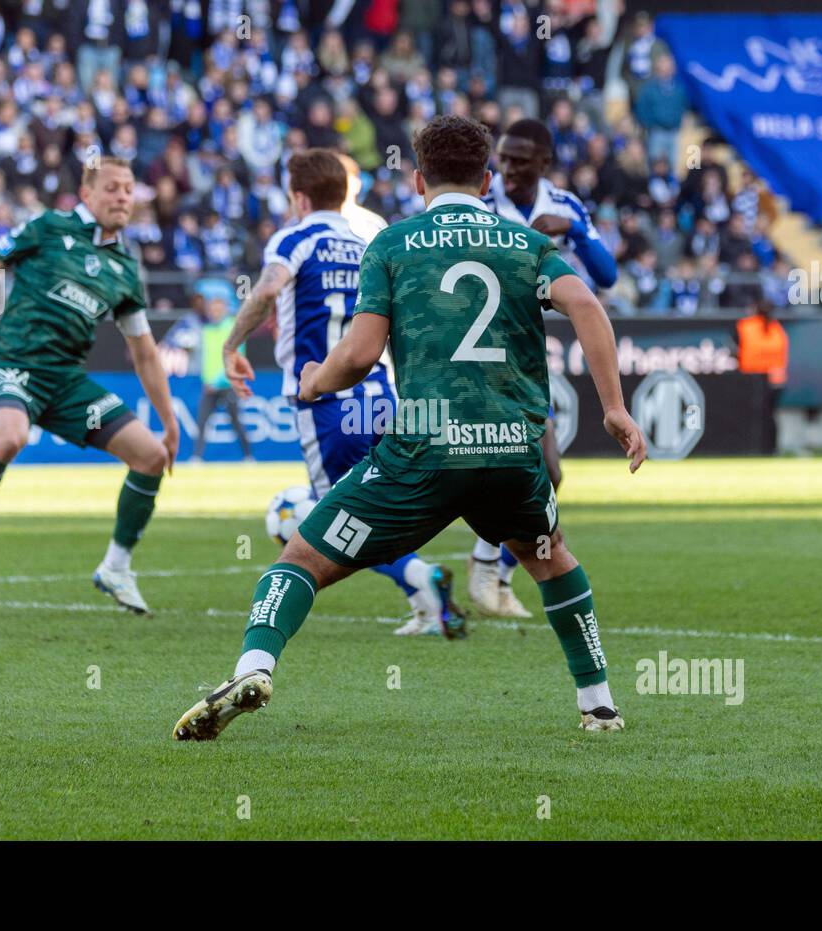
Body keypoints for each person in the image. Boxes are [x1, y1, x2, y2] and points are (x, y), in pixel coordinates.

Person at [173, 115, 647, 742]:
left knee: (301, 559)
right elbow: (588, 303)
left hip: (422, 452)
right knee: (552, 559)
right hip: (510, 449)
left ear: (419, 179)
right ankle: (600, 704)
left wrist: (313, 379)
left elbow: (361, 355)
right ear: (485, 180)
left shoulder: (394, 244)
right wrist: (614, 407)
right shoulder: (524, 243)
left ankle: (254, 668)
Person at [0, 157, 180, 614]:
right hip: (13, 364)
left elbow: (145, 352)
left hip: (66, 382)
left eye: (129, 189)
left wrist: (169, 424)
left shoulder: (126, 269)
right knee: (9, 438)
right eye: (112, 188)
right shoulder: (48, 227)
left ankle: (115, 567)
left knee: (150, 457)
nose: (122, 197)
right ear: (87, 193)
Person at [219, 148, 464, 637]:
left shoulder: (296, 237)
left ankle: (421, 576)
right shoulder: (369, 242)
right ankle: (424, 602)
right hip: (380, 397)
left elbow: (267, 290)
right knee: (380, 506)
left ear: (299, 197)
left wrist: (232, 343)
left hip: (325, 403)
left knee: (334, 521)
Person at [469, 117, 620, 619]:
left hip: (528, 353)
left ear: (544, 162)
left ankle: (493, 571)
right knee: (503, 465)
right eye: (503, 158)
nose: (506, 167)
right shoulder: (483, 203)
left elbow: (608, 275)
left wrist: (573, 230)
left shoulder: (566, 205)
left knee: (547, 472)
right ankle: (476, 571)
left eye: (517, 159)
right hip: (480, 350)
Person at [191, 294, 252, 462]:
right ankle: (196, 458)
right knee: (202, 421)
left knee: (236, 422)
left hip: (228, 384)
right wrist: (207, 381)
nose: (215, 312)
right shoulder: (207, 330)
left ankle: (248, 457)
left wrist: (217, 381)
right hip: (209, 385)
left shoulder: (233, 328)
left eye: (219, 308)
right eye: (212, 309)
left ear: (225, 309)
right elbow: (206, 360)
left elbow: (236, 358)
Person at [735, 298, 789, 455]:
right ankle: (770, 449)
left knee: (753, 416)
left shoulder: (746, 326)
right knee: (770, 416)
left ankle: (752, 447)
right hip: (774, 379)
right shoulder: (777, 329)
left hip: (752, 378)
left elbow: (735, 347)